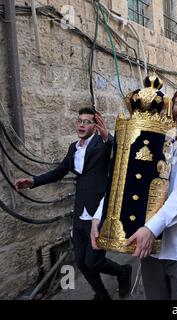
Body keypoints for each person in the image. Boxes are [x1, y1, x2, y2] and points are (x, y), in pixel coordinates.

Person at [94, 86, 177, 300]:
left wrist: (152, 228)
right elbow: (124, 178)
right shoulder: (154, 139)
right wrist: (99, 215)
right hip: (149, 249)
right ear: (170, 107)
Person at [15, 107, 132, 300]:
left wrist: (108, 137)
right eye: (79, 121)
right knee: (81, 261)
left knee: (93, 261)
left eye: (87, 122)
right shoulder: (73, 148)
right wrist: (33, 181)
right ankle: (102, 295)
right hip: (80, 212)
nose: (81, 125)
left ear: (95, 126)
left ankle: (122, 271)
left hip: (99, 211)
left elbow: (120, 154)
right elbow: (60, 171)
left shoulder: (103, 144)